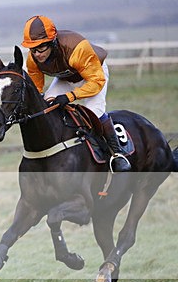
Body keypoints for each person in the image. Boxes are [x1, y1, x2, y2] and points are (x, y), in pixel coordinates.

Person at [21, 15, 131, 172]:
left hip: (93, 75)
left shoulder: (77, 48)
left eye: (41, 48)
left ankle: (118, 155)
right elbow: (37, 86)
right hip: (66, 77)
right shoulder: (33, 58)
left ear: (51, 42)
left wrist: (70, 96)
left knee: (95, 112)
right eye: (32, 48)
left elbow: (96, 82)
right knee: (48, 106)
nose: (37, 54)